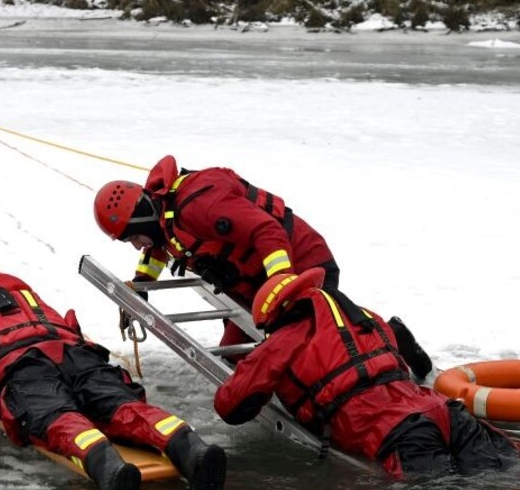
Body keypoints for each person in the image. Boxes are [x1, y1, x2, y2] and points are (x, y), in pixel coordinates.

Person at [0, 273, 226, 490]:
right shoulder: (42, 309)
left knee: (55, 416)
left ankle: (106, 466)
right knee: (119, 405)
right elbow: (75, 328)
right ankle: (190, 445)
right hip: (76, 354)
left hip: (19, 369)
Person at [93, 155, 432, 379]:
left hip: (303, 262)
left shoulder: (199, 205)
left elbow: (266, 231)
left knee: (326, 337)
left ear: (144, 217)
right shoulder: (164, 219)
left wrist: (282, 287)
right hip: (253, 289)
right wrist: (141, 285)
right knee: (236, 357)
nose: (137, 246)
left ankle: (391, 336)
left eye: (133, 237)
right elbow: (160, 247)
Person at [213, 269, 519, 479]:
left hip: (400, 434)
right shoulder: (367, 318)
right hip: (446, 411)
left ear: (276, 316)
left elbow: (230, 405)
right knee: (508, 476)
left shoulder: (284, 340)